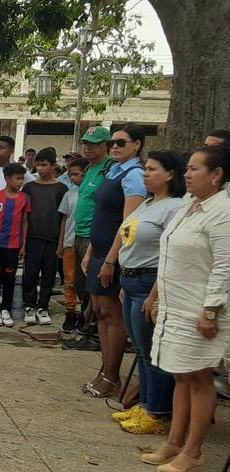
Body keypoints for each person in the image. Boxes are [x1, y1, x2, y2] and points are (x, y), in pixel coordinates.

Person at [141, 145, 230, 472]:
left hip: (201, 309)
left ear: (216, 174)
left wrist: (211, 311)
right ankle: (174, 443)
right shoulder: (189, 205)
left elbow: (224, 266)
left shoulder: (223, 211)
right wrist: (156, 296)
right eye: (187, 168)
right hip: (175, 306)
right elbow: (169, 259)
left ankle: (193, 450)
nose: (188, 174)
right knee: (180, 376)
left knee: (199, 379)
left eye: (195, 169)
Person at [105, 150, 184, 436]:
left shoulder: (175, 207)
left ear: (170, 174)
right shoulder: (148, 203)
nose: (146, 174)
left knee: (151, 352)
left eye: (152, 169)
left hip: (149, 283)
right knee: (140, 350)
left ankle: (157, 412)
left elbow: (169, 254)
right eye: (146, 169)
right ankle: (145, 404)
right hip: (130, 282)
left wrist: (154, 293)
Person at [80, 124, 146, 397]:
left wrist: (110, 260)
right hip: (98, 249)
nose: (115, 147)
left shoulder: (134, 176)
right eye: (113, 143)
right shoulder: (112, 171)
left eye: (121, 142)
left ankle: (112, 375)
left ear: (137, 145)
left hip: (114, 253)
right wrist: (90, 251)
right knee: (100, 312)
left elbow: (127, 224)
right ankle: (105, 371)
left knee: (111, 315)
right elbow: (102, 216)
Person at [66, 126, 116, 351]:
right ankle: (87, 331)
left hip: (95, 238)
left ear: (106, 145)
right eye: (85, 143)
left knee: (93, 288)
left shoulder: (110, 170)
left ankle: (93, 336)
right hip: (80, 234)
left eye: (93, 144)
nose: (87, 147)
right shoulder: (90, 169)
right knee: (81, 286)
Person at [20, 148, 67, 324]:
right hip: (32, 238)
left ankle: (43, 306)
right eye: (38, 165)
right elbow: (24, 217)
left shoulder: (61, 188)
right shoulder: (29, 187)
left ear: (53, 166)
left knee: (48, 275)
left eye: (44, 165)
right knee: (30, 274)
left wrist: (61, 243)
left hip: (52, 238)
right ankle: (29, 306)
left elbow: (64, 218)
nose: (40, 168)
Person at [0, 163, 30, 327]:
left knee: (9, 278)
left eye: (22, 179)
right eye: (17, 179)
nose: (20, 182)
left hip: (14, 245)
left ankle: (6, 308)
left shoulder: (25, 198)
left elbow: (25, 222)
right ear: (7, 179)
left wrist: (24, 245)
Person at [57, 158, 88, 333]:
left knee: (83, 281)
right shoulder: (70, 194)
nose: (73, 178)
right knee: (69, 281)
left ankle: (84, 313)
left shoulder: (93, 194)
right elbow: (64, 219)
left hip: (86, 242)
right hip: (69, 242)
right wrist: (61, 243)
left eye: (77, 174)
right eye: (71, 175)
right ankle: (70, 313)